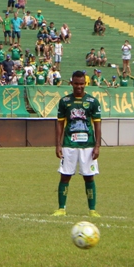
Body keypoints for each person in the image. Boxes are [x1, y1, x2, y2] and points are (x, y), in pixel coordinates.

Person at [53, 71, 102, 217]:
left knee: (89, 176)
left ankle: (92, 210)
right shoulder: (65, 101)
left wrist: (97, 146)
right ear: (71, 83)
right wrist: (58, 145)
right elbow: (60, 124)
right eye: (76, 83)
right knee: (65, 175)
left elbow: (97, 125)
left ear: (85, 83)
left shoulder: (93, 102)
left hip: (88, 145)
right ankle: (61, 208)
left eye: (81, 84)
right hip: (69, 144)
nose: (79, 86)